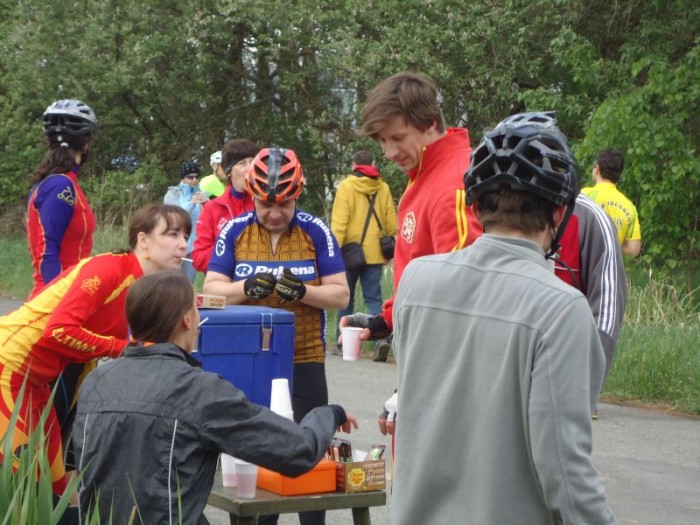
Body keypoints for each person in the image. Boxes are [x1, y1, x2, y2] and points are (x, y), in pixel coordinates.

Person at [390, 115, 615, 524]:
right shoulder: (561, 309)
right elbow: (565, 472)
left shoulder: (416, 281)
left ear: (475, 205)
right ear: (560, 213)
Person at [74, 271, 358, 524]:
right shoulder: (198, 390)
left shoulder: (96, 382)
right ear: (187, 319)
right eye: (196, 312)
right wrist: (329, 413)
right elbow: (299, 451)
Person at [0, 204, 191, 496]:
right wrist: (122, 348)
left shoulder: (144, 287)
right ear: (143, 241)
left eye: (186, 235)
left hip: (37, 381)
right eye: (173, 234)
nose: (183, 244)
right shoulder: (108, 268)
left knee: (55, 481)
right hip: (9, 365)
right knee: (22, 483)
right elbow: (60, 330)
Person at [203, 147, 349, 525]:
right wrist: (245, 287)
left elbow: (341, 294)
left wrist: (304, 293)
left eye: (283, 204)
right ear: (251, 195)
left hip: (305, 356)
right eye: (265, 204)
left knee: (310, 449)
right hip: (251, 359)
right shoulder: (233, 230)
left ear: (297, 194)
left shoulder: (316, 231)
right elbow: (209, 293)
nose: (273, 213)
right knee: (253, 452)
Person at [339, 72, 482, 433]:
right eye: (383, 141)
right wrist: (384, 320)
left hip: (446, 381)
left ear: (429, 123)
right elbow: (420, 273)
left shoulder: (453, 185)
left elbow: (463, 299)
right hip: (424, 365)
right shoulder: (423, 176)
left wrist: (421, 389)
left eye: (398, 138)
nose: (388, 153)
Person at [26, 99, 98, 299]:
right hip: (55, 298)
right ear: (85, 145)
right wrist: (57, 303)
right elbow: (47, 252)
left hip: (70, 292)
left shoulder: (58, 183)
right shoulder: (60, 185)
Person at [330, 150, 397, 361]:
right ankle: (380, 340)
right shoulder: (383, 187)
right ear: (373, 163)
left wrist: (332, 252)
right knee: (374, 299)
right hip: (375, 253)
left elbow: (340, 223)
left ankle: (343, 344)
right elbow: (390, 223)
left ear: (353, 165)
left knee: (345, 299)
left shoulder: (347, 187)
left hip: (349, 252)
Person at [191, 139, 258, 272]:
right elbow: (199, 258)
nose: (249, 168)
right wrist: (233, 250)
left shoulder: (268, 204)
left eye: (252, 162)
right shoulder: (212, 208)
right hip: (227, 287)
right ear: (228, 172)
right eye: (242, 163)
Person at [582, 149, 642, 256]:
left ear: (597, 169)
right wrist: (613, 241)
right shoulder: (629, 206)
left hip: (584, 265)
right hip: (610, 268)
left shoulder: (583, 195)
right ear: (619, 175)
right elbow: (634, 249)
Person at [164, 160, 208, 282]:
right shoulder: (173, 193)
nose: (194, 180)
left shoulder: (202, 192)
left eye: (197, 176)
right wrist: (191, 203)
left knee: (188, 283)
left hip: (193, 247)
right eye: (190, 177)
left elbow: (210, 217)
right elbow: (173, 215)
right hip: (174, 246)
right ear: (182, 178)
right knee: (172, 282)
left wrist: (207, 203)